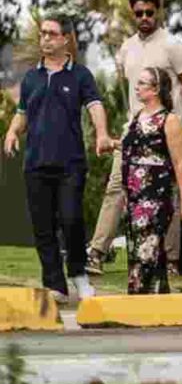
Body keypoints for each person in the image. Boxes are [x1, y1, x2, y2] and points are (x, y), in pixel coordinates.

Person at [87, 0, 182, 277]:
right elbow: (129, 90)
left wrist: (176, 117)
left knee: (170, 190)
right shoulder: (126, 48)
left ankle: (172, 260)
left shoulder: (173, 45)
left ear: (158, 11)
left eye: (150, 12)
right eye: (139, 13)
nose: (145, 17)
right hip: (134, 129)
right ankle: (97, 252)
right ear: (132, 13)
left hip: (166, 127)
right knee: (116, 186)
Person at [4, 16, 113, 302]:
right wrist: (12, 133)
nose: (46, 39)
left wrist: (102, 134)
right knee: (43, 227)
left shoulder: (80, 75)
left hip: (70, 163)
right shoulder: (31, 77)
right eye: (43, 34)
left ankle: (78, 274)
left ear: (66, 39)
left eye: (52, 34)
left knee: (71, 219)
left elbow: (95, 105)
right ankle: (55, 285)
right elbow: (23, 112)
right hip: (35, 163)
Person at [118, 67, 182, 294]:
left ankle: (141, 290)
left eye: (142, 83)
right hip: (133, 192)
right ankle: (156, 291)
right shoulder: (136, 117)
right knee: (139, 244)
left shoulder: (169, 120)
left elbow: (179, 162)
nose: (137, 87)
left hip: (156, 192)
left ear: (156, 89)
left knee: (149, 242)